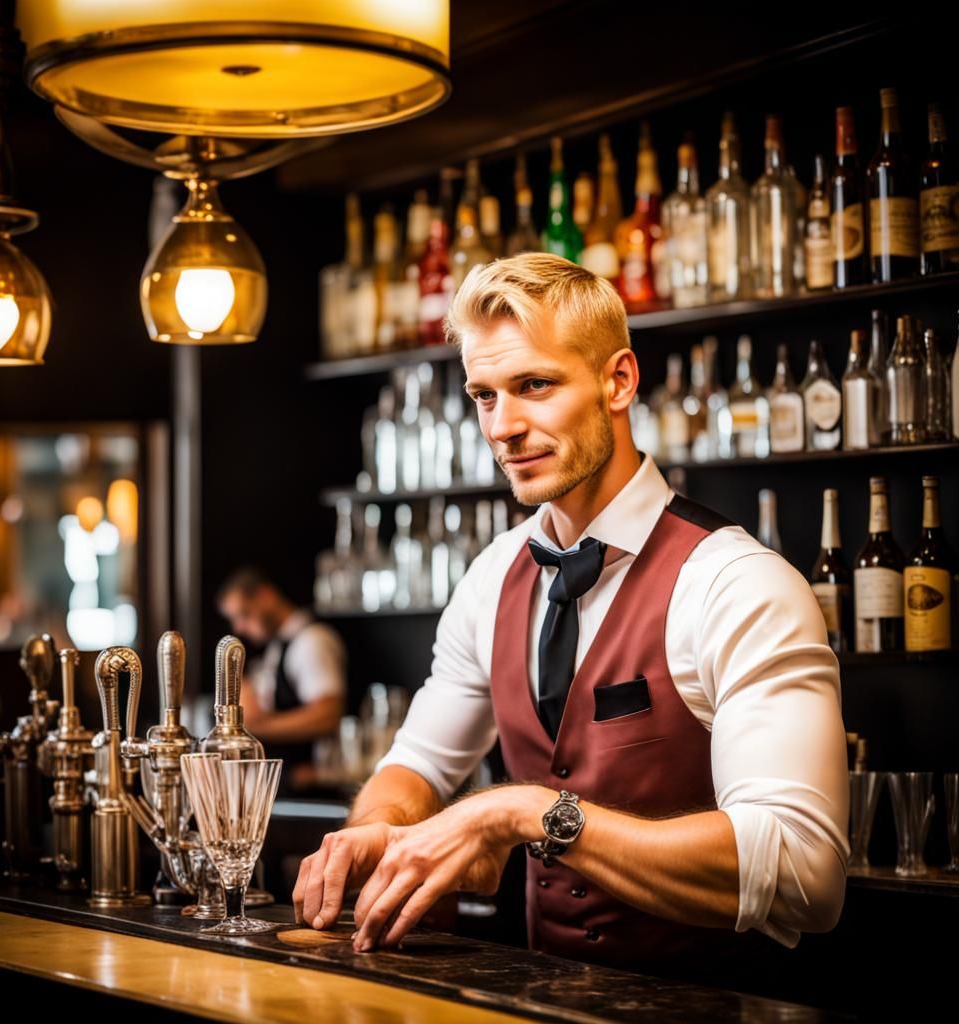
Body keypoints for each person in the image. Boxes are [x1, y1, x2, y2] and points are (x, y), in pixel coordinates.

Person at [291, 253, 849, 987]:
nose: (504, 427)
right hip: (543, 1001)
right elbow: (421, 764)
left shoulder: (736, 585)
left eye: (534, 386)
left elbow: (805, 875)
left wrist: (520, 813)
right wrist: (371, 833)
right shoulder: (493, 577)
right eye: (484, 395)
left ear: (618, 380)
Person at [217, 567, 346, 773]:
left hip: (309, 786)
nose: (239, 628)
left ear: (265, 597)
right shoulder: (277, 646)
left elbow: (327, 715)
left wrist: (254, 726)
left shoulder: (312, 641)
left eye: (244, 614)